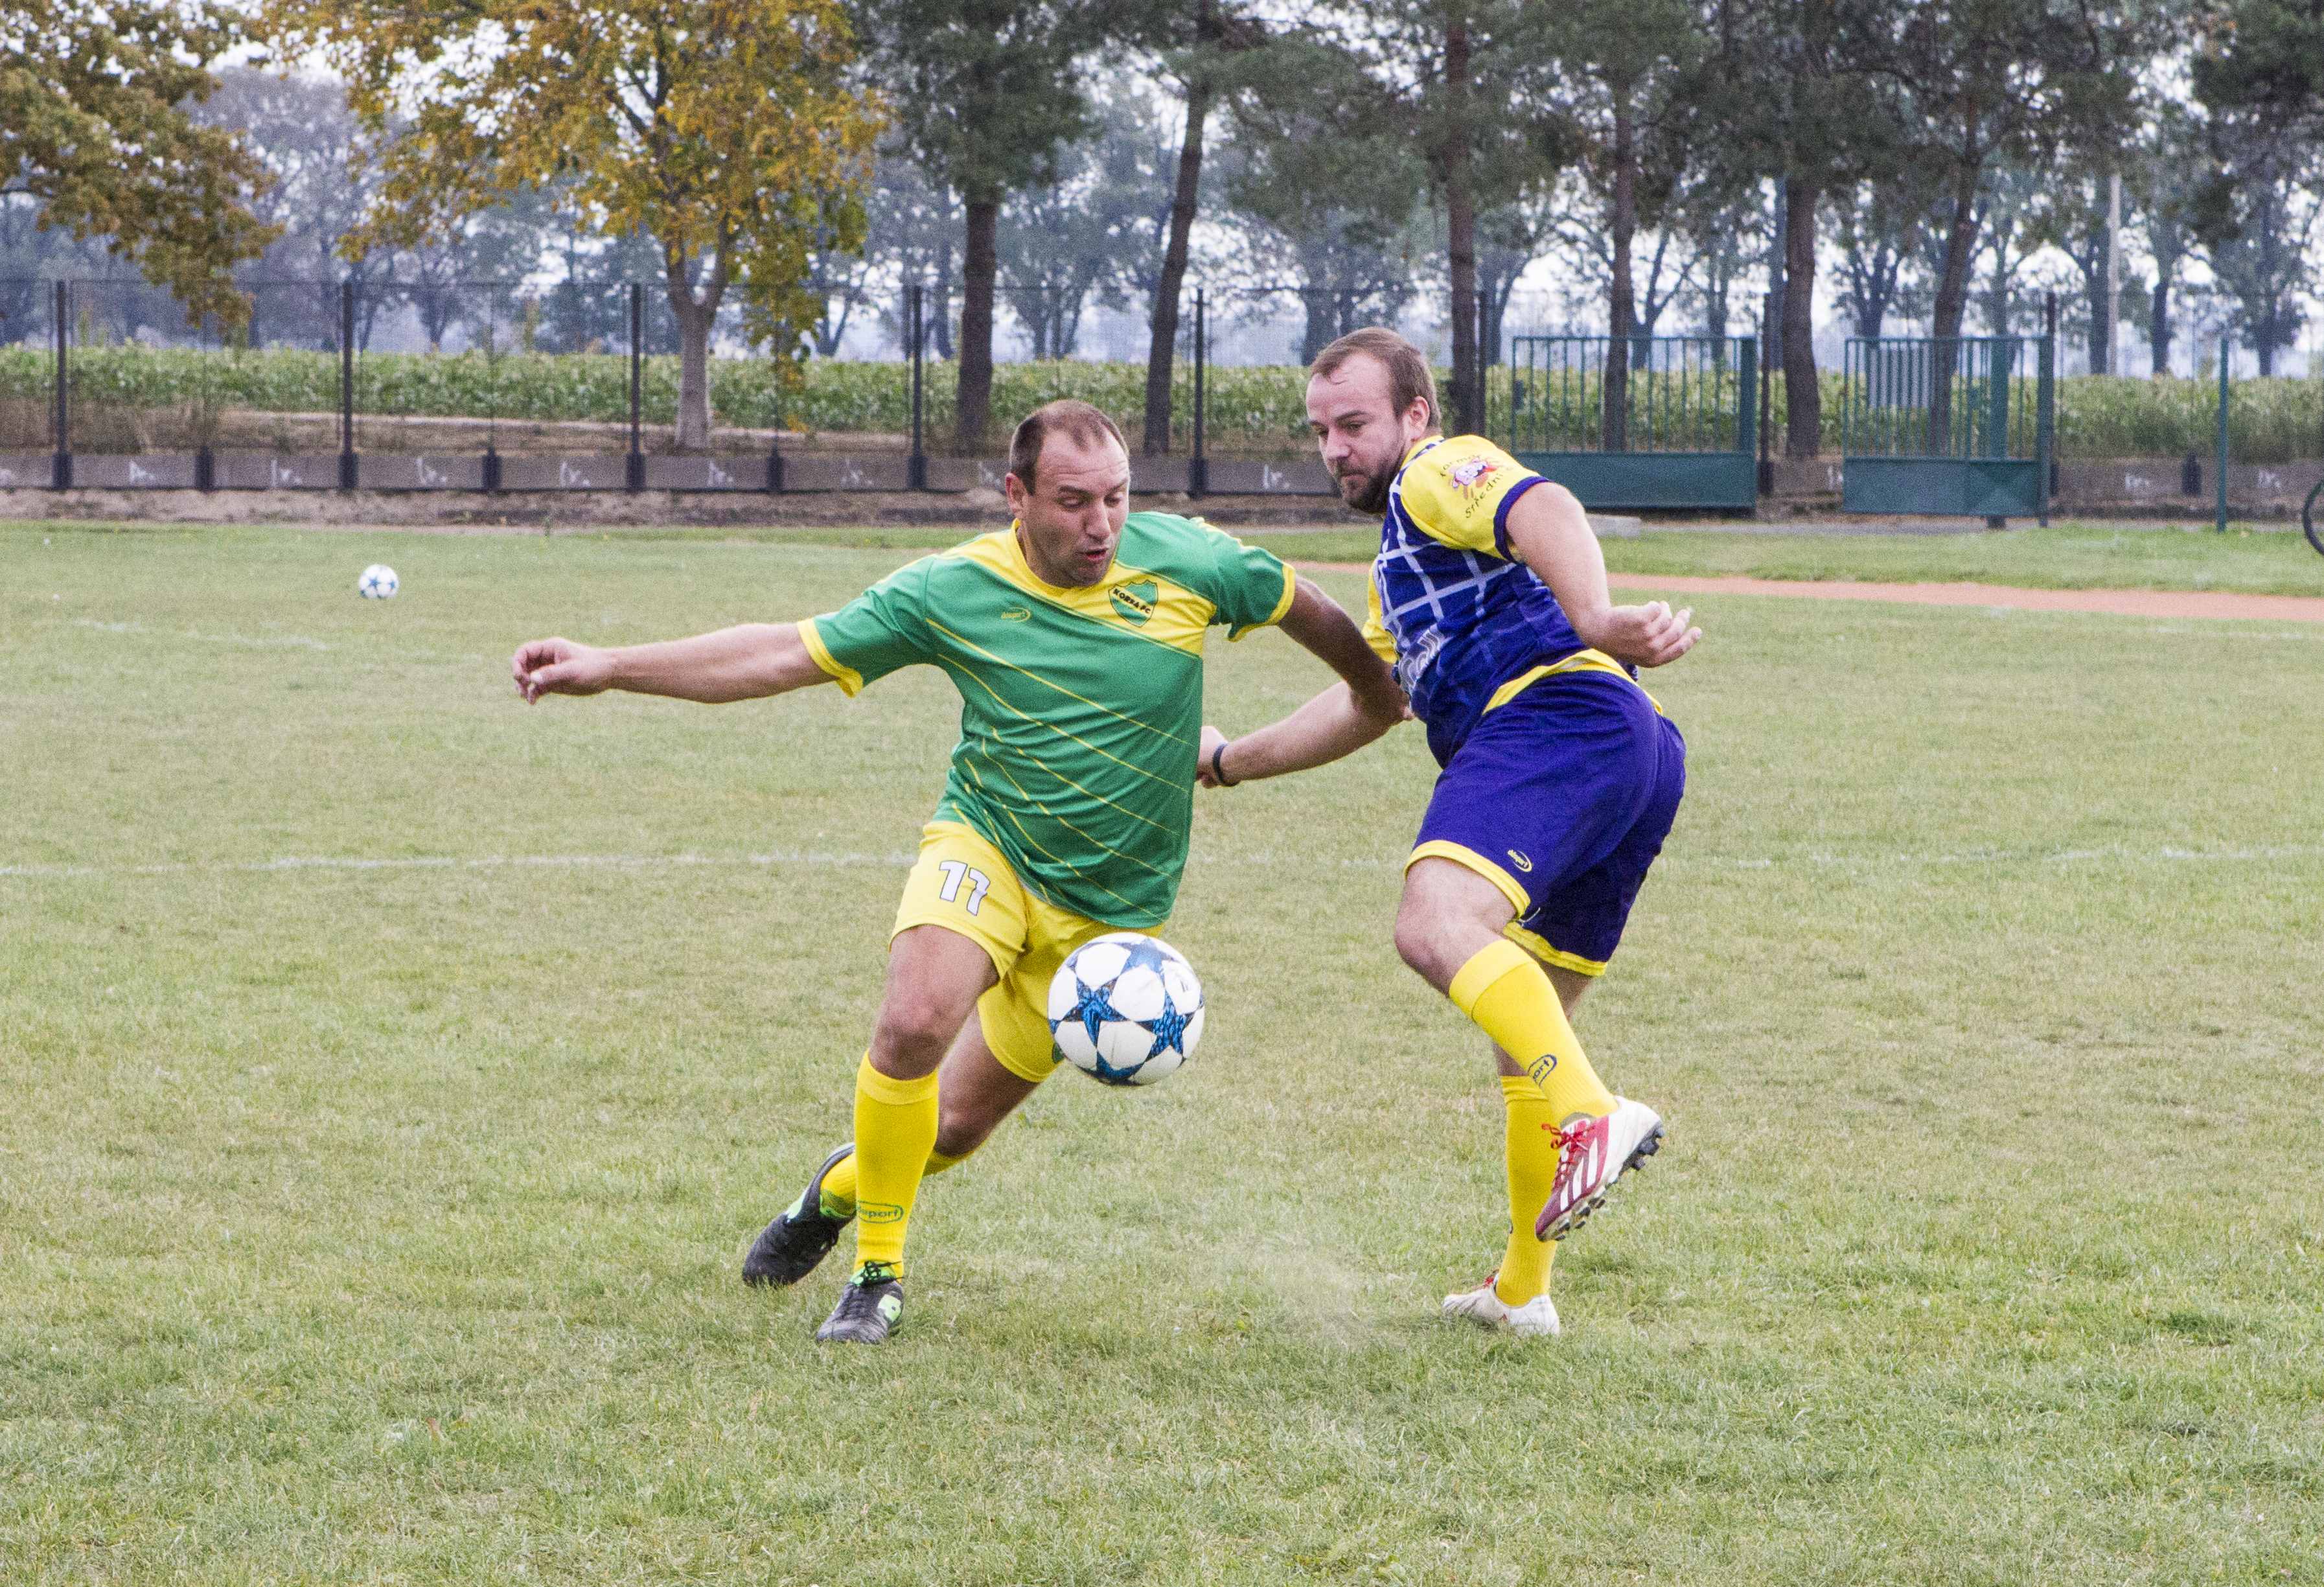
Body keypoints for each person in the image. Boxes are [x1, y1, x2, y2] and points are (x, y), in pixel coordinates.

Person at [511, 400, 1403, 1345]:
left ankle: (836, 1190)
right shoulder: (952, 589)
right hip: (986, 848)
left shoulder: (1195, 562)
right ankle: (877, 1275)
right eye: (1072, 502)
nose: (1101, 526)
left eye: (1116, 499)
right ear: (1016, 495)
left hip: (1106, 919)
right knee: (912, 1022)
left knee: (951, 1132)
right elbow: (786, 652)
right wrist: (612, 665)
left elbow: (1346, 650)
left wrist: (1362, 700)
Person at [1195, 329, 1699, 1338]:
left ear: (1415, 416)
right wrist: (1226, 762)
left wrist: (1594, 615)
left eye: (1355, 424)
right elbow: (1373, 706)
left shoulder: (1434, 473)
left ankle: (1594, 1116)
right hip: (1633, 750)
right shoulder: (1403, 566)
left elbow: (1540, 505)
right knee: (1531, 1033)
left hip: (1558, 715)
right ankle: (1522, 1290)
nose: (1335, 448)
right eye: (1321, 431)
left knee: (1434, 922)